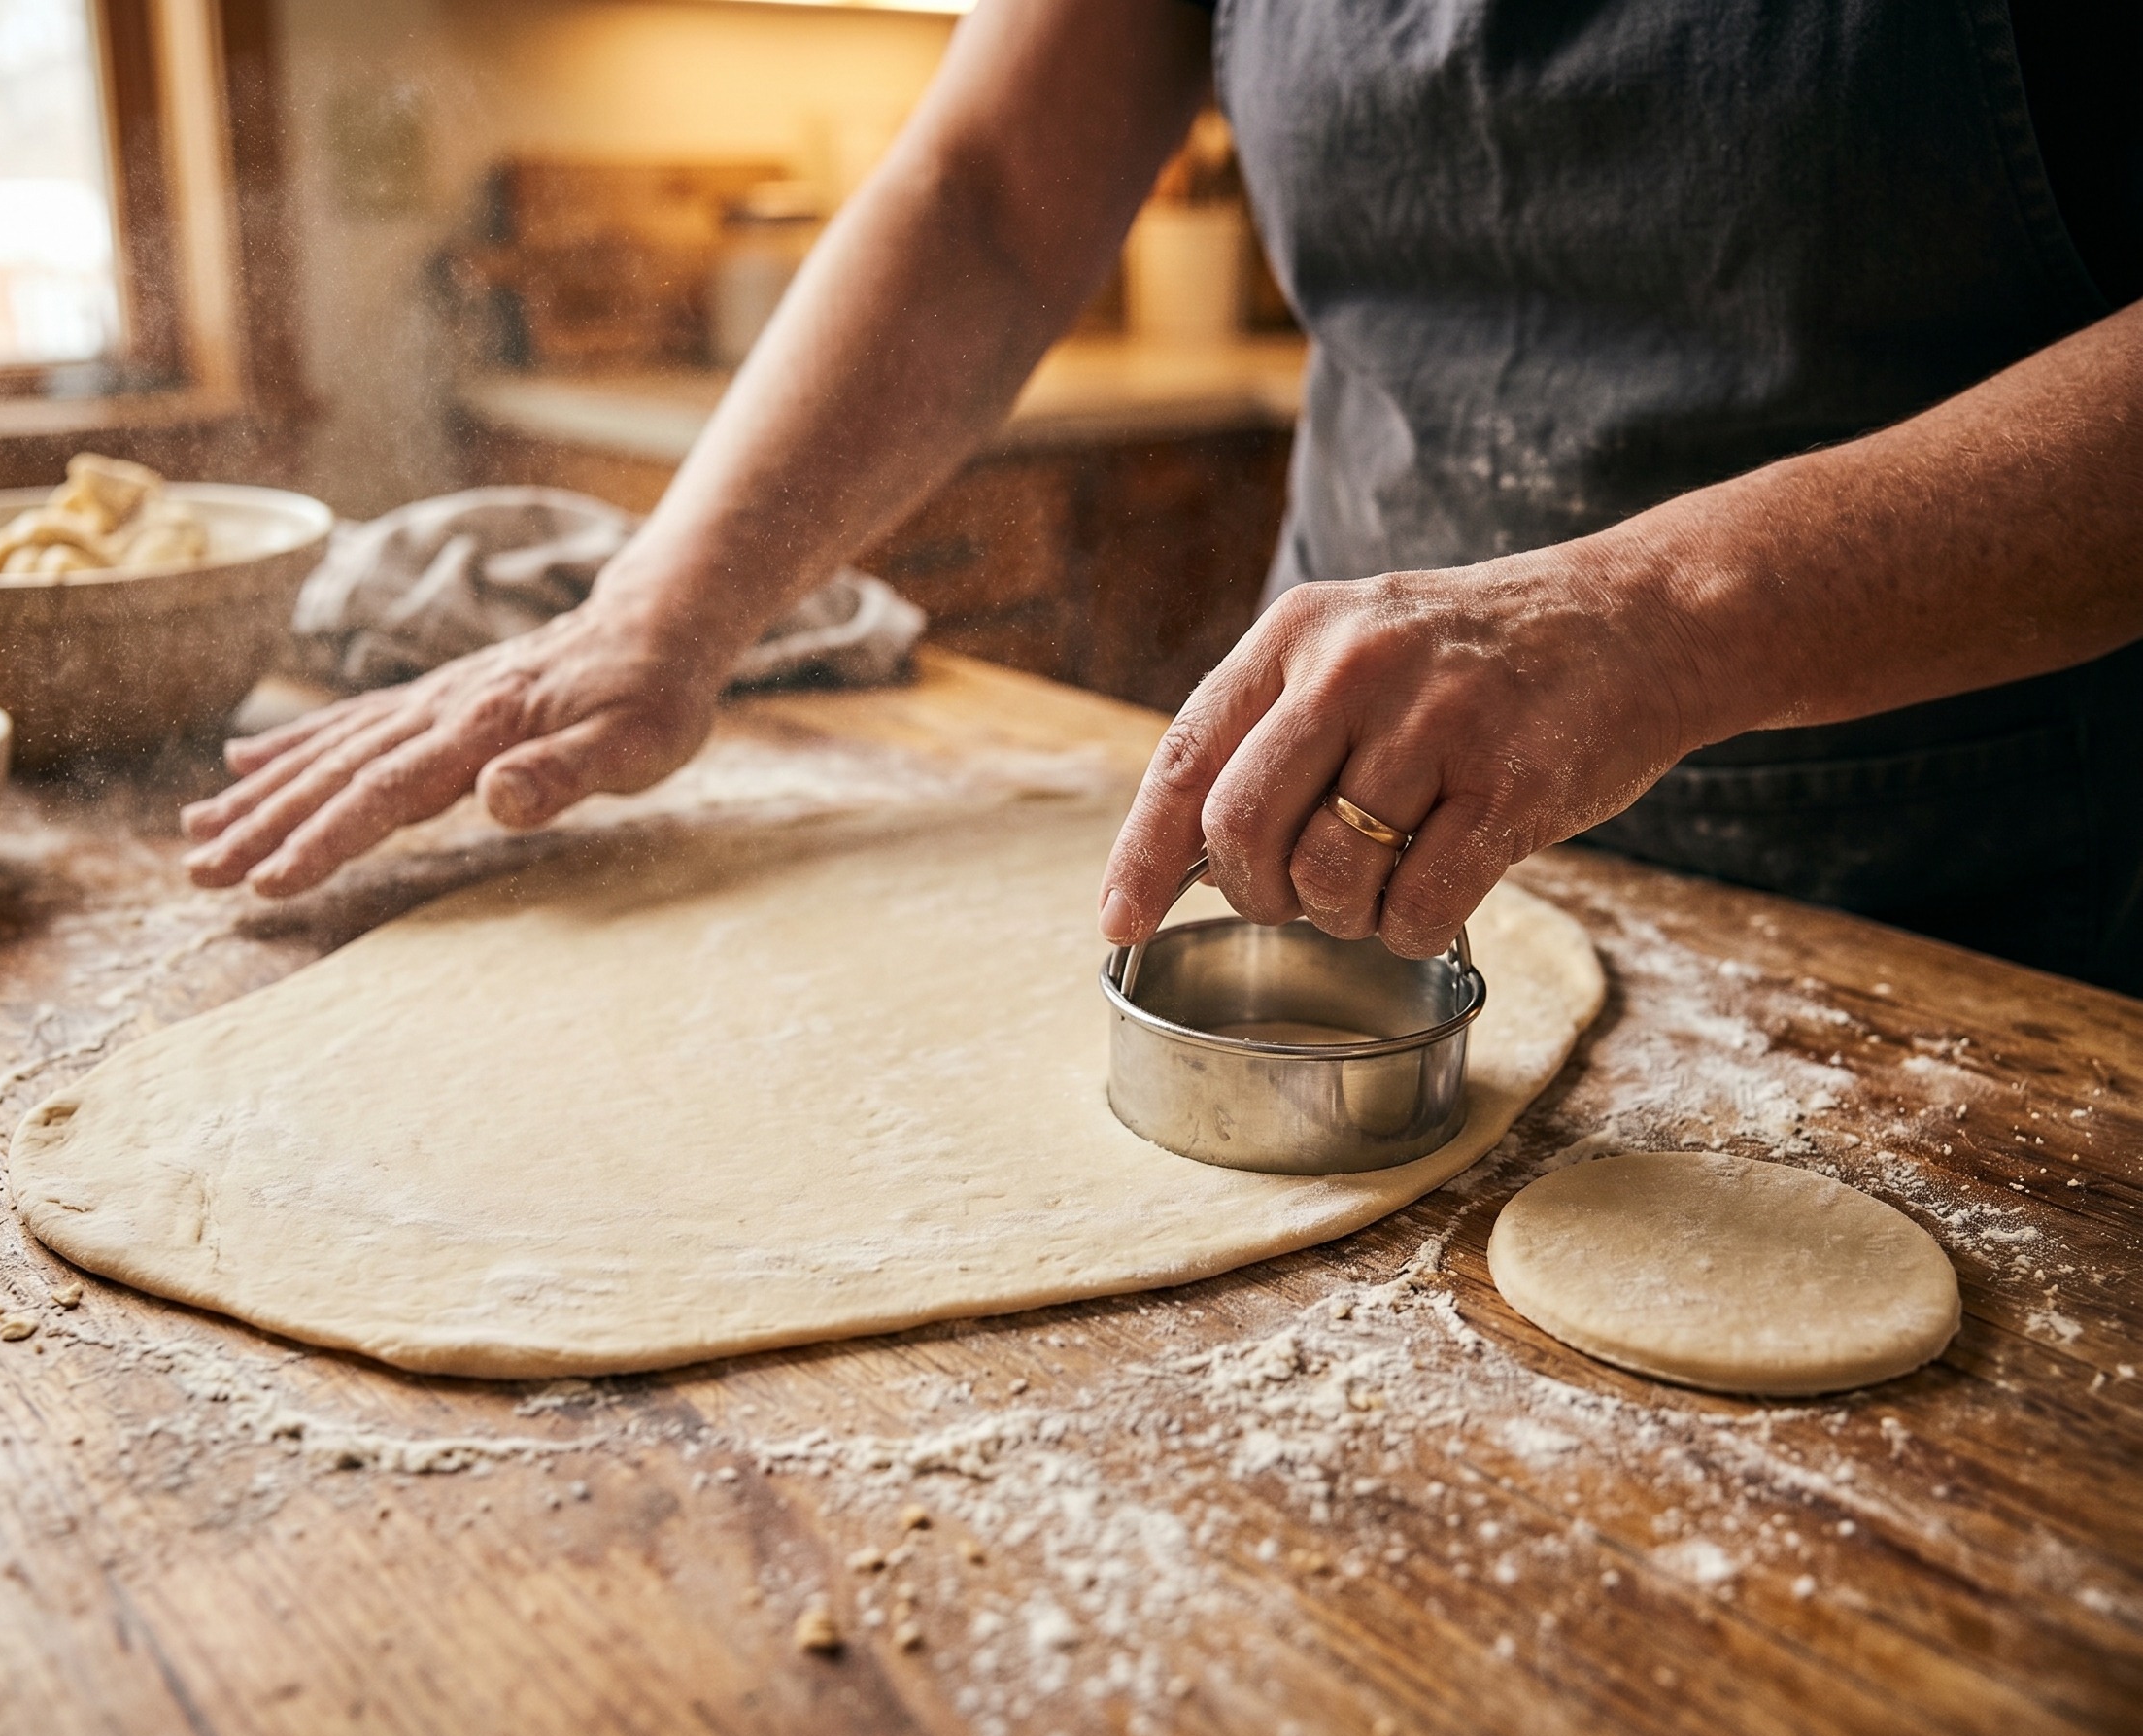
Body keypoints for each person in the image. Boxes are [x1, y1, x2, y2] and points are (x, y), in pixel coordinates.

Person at [182, 0, 2143, 993]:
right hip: (1341, 817)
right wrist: (664, 607)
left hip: (1999, 853)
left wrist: (1651, 610)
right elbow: (987, 187)